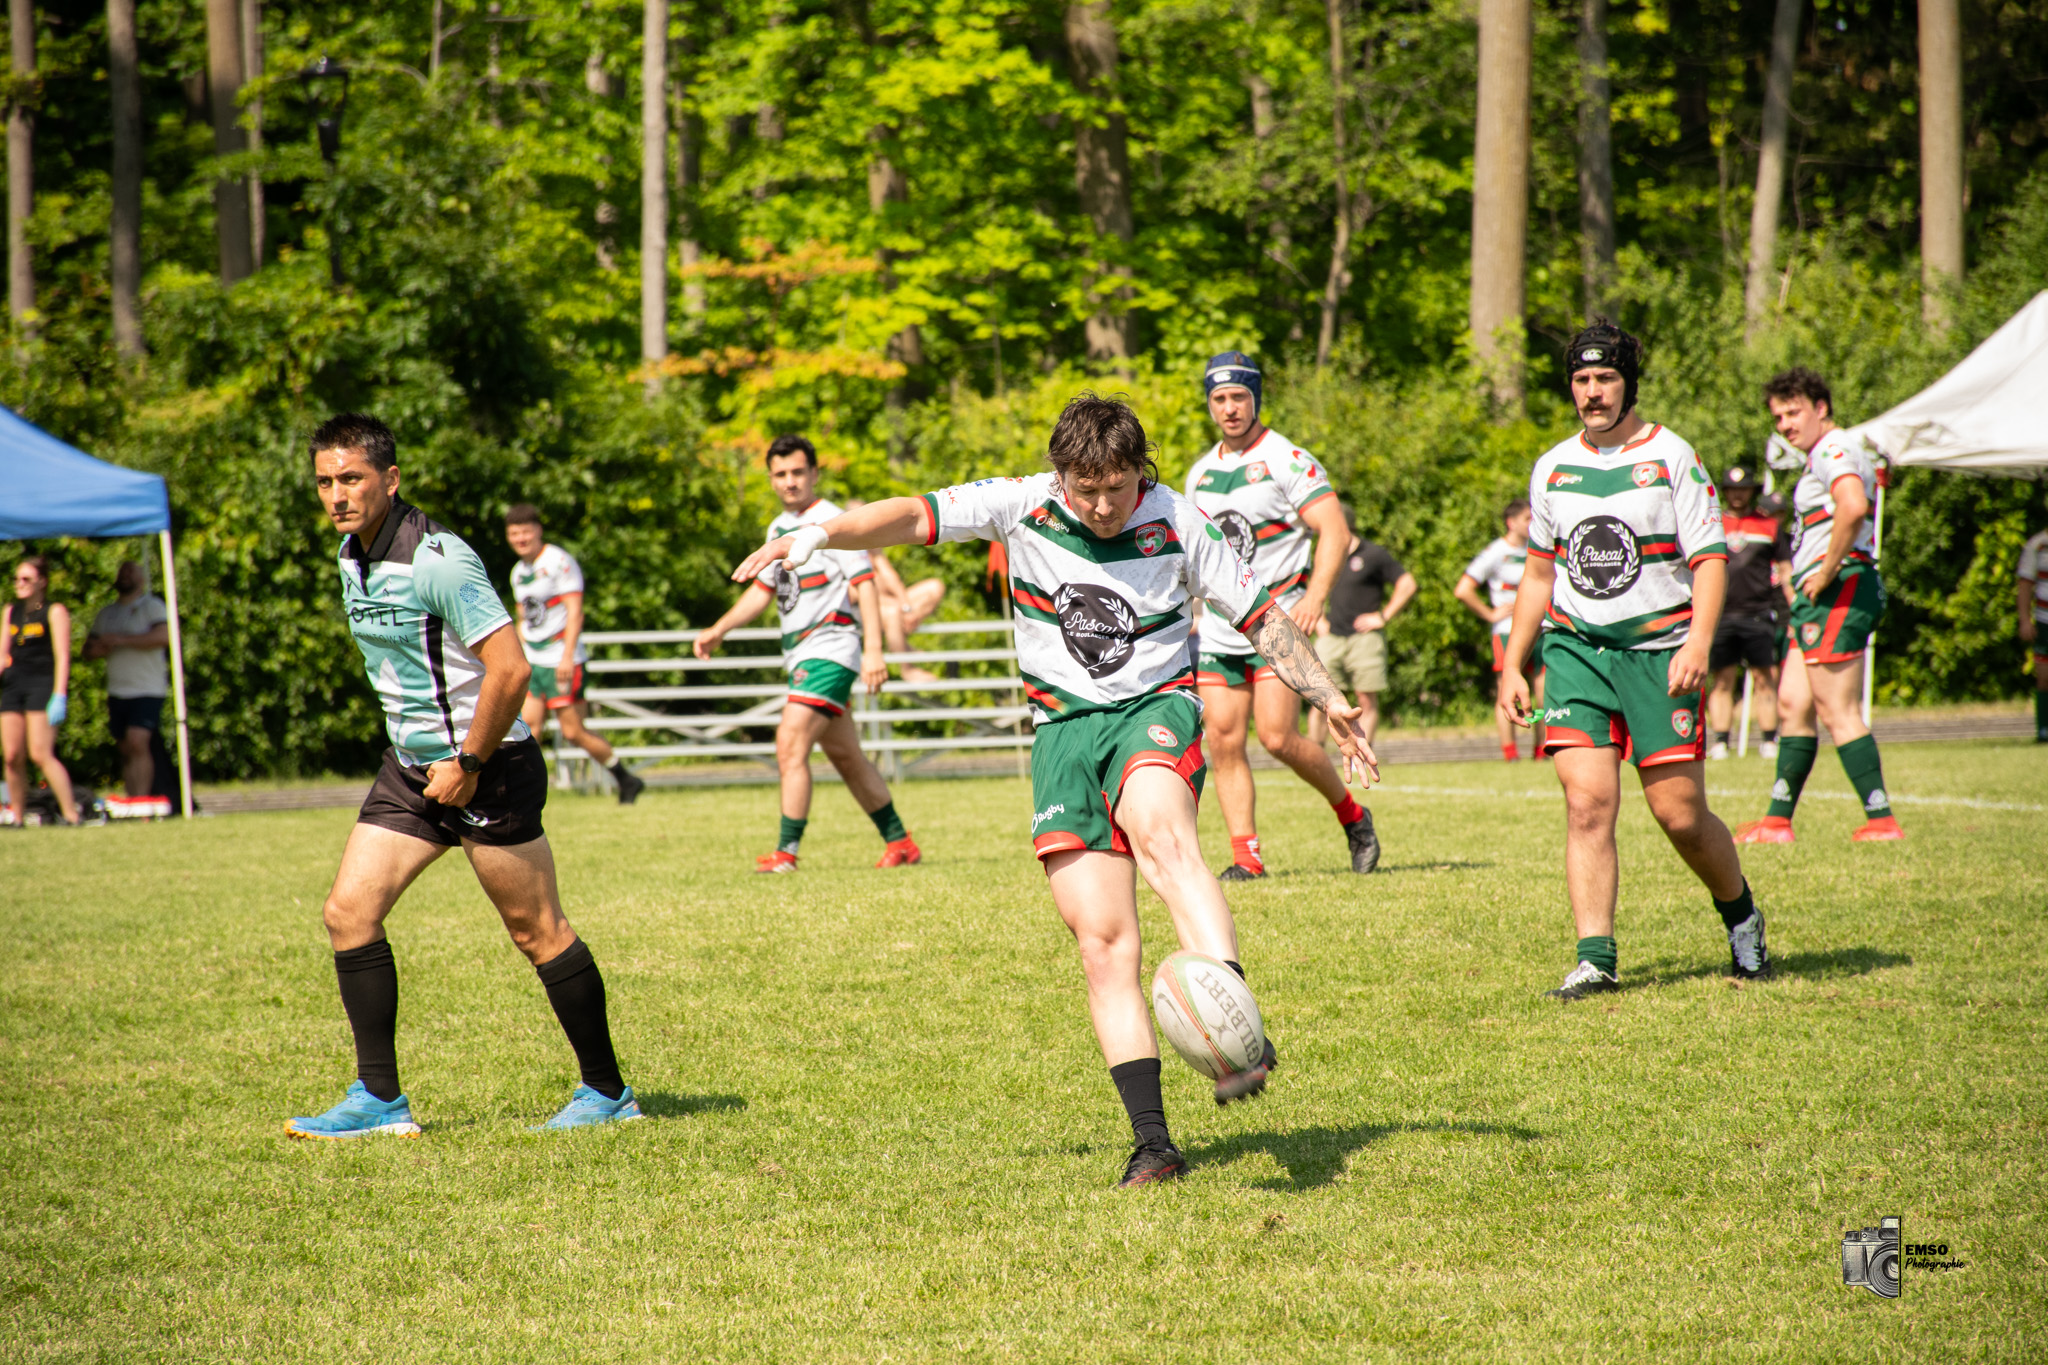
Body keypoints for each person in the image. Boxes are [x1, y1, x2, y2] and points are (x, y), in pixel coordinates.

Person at [730, 393, 1380, 1188]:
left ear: (1141, 470)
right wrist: (817, 531)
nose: (1103, 505)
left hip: (1155, 710)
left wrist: (1326, 697)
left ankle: (1230, 1017)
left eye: (1117, 486)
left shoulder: (1179, 519)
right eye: (1086, 488)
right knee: (1102, 943)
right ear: (1059, 474)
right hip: (1062, 735)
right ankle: (1153, 1142)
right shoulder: (1021, 505)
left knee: (1162, 833)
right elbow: (910, 515)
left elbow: (1263, 618)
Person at [287, 413, 642, 1139]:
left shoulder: (440, 559)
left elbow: (512, 669)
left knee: (537, 931)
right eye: (324, 481)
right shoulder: (350, 553)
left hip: (490, 765)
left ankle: (607, 1091)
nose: (336, 496)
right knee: (348, 913)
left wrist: (469, 763)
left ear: (390, 479)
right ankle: (379, 1101)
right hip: (410, 768)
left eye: (351, 479)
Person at [1497, 319, 1770, 999]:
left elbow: (1709, 560)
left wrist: (1700, 642)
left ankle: (1741, 914)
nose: (1593, 393)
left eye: (1606, 379)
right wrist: (1512, 660)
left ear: (1629, 383)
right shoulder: (1552, 466)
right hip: (1577, 650)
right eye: (1582, 381)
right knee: (1587, 802)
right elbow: (1537, 575)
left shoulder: (1671, 455)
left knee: (1679, 815)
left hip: (1661, 654)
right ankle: (1596, 957)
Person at [1185, 351, 1379, 879]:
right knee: (1222, 740)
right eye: (1219, 399)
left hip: (1275, 624)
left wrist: (1314, 598)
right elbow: (1194, 554)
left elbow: (1334, 531)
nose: (1229, 408)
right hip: (1222, 630)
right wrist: (1194, 612)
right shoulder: (1200, 474)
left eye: (1239, 397)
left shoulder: (1287, 459)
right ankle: (1247, 858)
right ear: (1209, 404)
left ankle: (1353, 815)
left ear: (1256, 399)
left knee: (1276, 737)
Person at [695, 434, 919, 872]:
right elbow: (763, 593)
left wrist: (874, 649)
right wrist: (719, 629)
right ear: (771, 479)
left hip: (831, 650)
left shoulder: (833, 522)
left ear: (815, 474)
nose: (790, 481)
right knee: (847, 757)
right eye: (780, 474)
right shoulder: (777, 529)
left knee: (790, 742)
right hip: (802, 655)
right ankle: (901, 842)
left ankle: (786, 853)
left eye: (798, 472)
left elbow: (865, 582)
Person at [1736, 368, 1903, 844]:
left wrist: (1827, 569)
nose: (1786, 424)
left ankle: (1882, 820)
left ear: (1820, 408)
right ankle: (1777, 821)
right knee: (1793, 702)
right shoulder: (1821, 455)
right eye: (1778, 417)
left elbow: (1852, 506)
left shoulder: (1834, 448)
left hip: (1839, 588)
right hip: (1818, 597)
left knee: (1837, 708)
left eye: (1794, 412)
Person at [503, 505, 645, 805]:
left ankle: (625, 778)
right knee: (528, 728)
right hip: (535, 660)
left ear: (539, 530)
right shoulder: (519, 572)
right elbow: (523, 618)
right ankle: (520, 791)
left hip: (561, 660)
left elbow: (575, 611)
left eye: (526, 531)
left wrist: (567, 657)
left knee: (573, 731)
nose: (521, 538)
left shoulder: (558, 561)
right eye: (514, 533)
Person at [1703, 467, 1793, 760]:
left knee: (1765, 678)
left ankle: (1768, 740)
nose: (1737, 494)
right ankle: (1720, 742)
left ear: (1752, 492)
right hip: (1720, 615)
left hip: (1759, 613)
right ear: (1725, 492)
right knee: (1722, 680)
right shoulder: (1711, 524)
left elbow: (1785, 571)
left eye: (1743, 489)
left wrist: (1794, 611)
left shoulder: (1769, 526)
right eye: (1731, 489)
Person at [1308, 505, 1415, 749]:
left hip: (1363, 640)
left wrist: (1383, 616)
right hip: (1330, 639)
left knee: (1366, 701)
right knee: (1319, 700)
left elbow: (1407, 583)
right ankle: (1316, 757)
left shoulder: (1374, 554)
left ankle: (1362, 755)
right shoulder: (1324, 554)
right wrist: (1319, 619)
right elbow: (1312, 588)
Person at [1456, 499, 1546, 762]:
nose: (1533, 523)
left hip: (1541, 629)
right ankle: (1510, 754)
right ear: (1511, 522)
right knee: (1507, 689)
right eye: (1528, 519)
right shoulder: (1497, 551)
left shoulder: (1538, 548)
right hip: (1507, 630)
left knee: (1544, 691)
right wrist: (1490, 614)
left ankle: (1541, 751)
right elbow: (1463, 589)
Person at [0, 557, 81, 827]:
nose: (19, 584)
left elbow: (63, 656)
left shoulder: (54, 611)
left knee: (40, 753)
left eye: (26, 579)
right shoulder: (11, 612)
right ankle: (18, 817)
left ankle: (71, 814)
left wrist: (60, 694)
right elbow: (3, 654)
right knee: (12, 756)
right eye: (17, 579)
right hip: (13, 686)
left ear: (42, 582)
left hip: (42, 685)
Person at [83, 561, 171, 798]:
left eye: (131, 571)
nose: (125, 575)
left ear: (142, 579)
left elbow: (164, 636)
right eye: (122, 571)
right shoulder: (107, 614)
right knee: (125, 747)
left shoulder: (151, 606)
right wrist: (101, 648)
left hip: (147, 688)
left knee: (137, 741)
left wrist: (121, 640)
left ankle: (142, 799)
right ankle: (132, 798)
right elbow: (88, 650)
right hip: (118, 690)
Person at [2017, 525, 2048, 743]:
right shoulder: (2037, 545)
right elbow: (2025, 585)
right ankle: (2044, 730)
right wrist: (2025, 620)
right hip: (2044, 619)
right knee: (2044, 676)